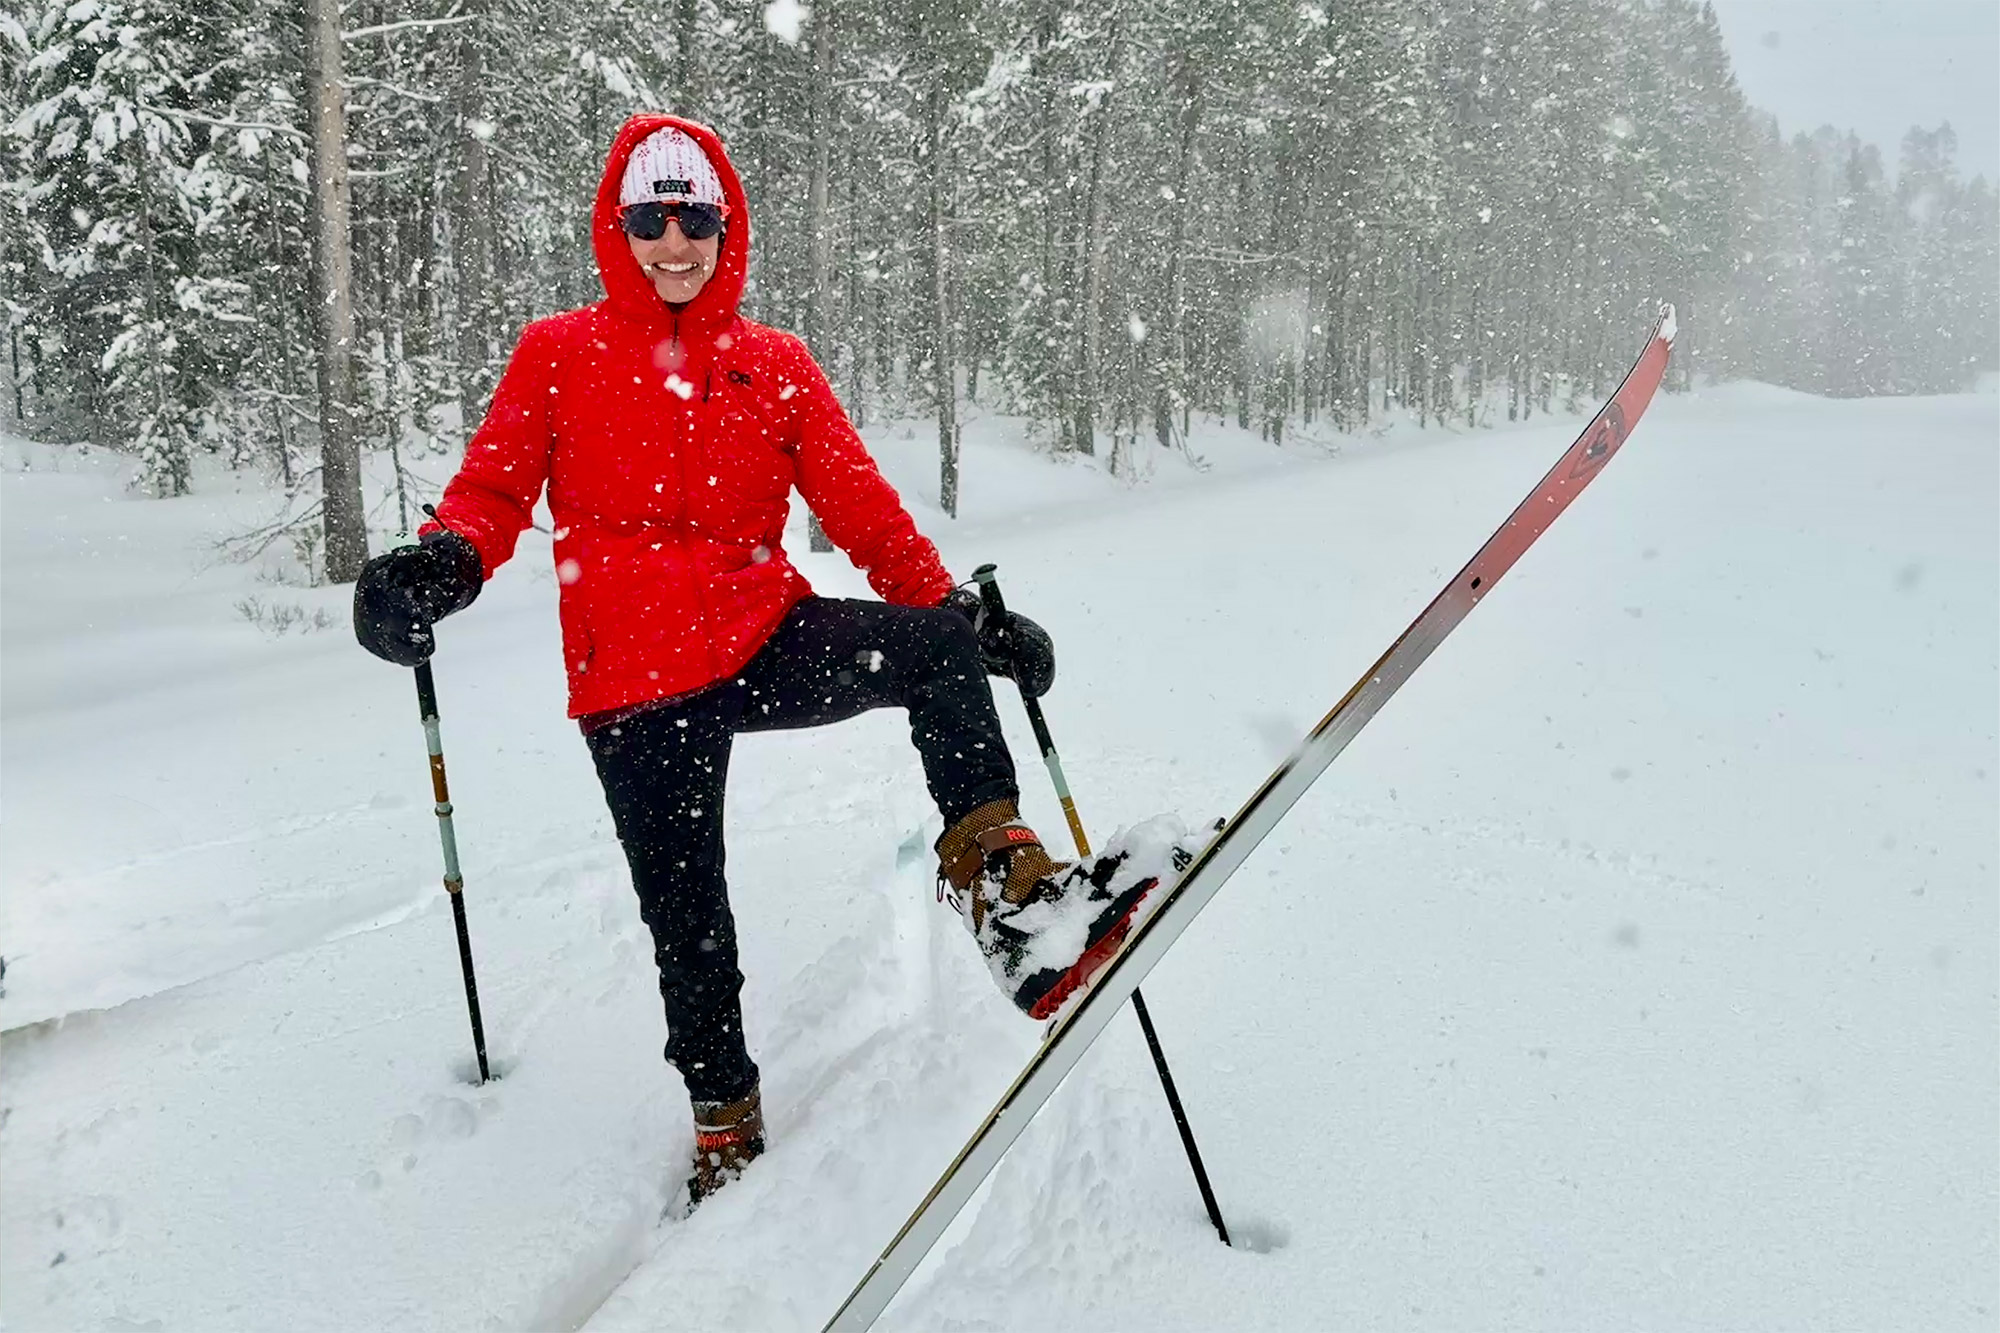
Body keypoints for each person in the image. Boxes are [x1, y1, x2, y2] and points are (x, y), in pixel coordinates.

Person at [352, 114, 1168, 1207]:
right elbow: (492, 496)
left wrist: (967, 625)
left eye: (696, 219)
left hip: (762, 636)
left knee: (929, 651)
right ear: (617, 224)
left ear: (726, 227)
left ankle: (1011, 903)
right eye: (651, 218)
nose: (674, 242)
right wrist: (434, 571)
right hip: (632, 676)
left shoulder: (772, 364)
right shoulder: (558, 355)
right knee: (688, 915)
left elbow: (864, 512)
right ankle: (723, 1117)